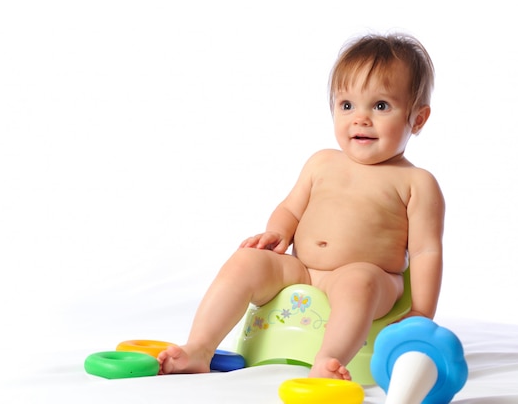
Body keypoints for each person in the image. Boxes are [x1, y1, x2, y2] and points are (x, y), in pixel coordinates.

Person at [157, 33, 444, 380]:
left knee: (358, 281)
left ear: (418, 118)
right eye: (347, 105)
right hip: (304, 270)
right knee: (246, 261)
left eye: (381, 106)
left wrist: (421, 311)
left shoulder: (416, 182)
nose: (360, 119)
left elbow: (426, 251)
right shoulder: (321, 162)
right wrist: (277, 232)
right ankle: (200, 347)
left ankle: (329, 359)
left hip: (373, 279)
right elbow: (291, 209)